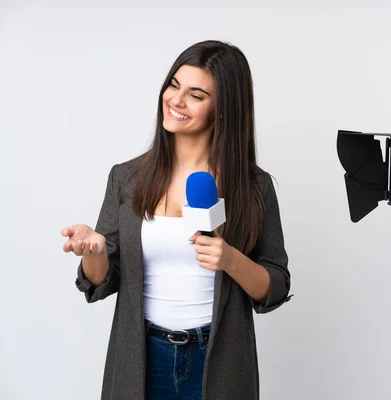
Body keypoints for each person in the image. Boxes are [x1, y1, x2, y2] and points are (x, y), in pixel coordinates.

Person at [61, 40, 292, 400]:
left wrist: (230, 258)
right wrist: (94, 250)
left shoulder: (254, 187)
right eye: (174, 85)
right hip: (140, 358)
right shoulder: (126, 178)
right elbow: (102, 281)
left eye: (196, 95)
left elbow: (274, 286)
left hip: (218, 362)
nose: (176, 100)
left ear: (224, 110)